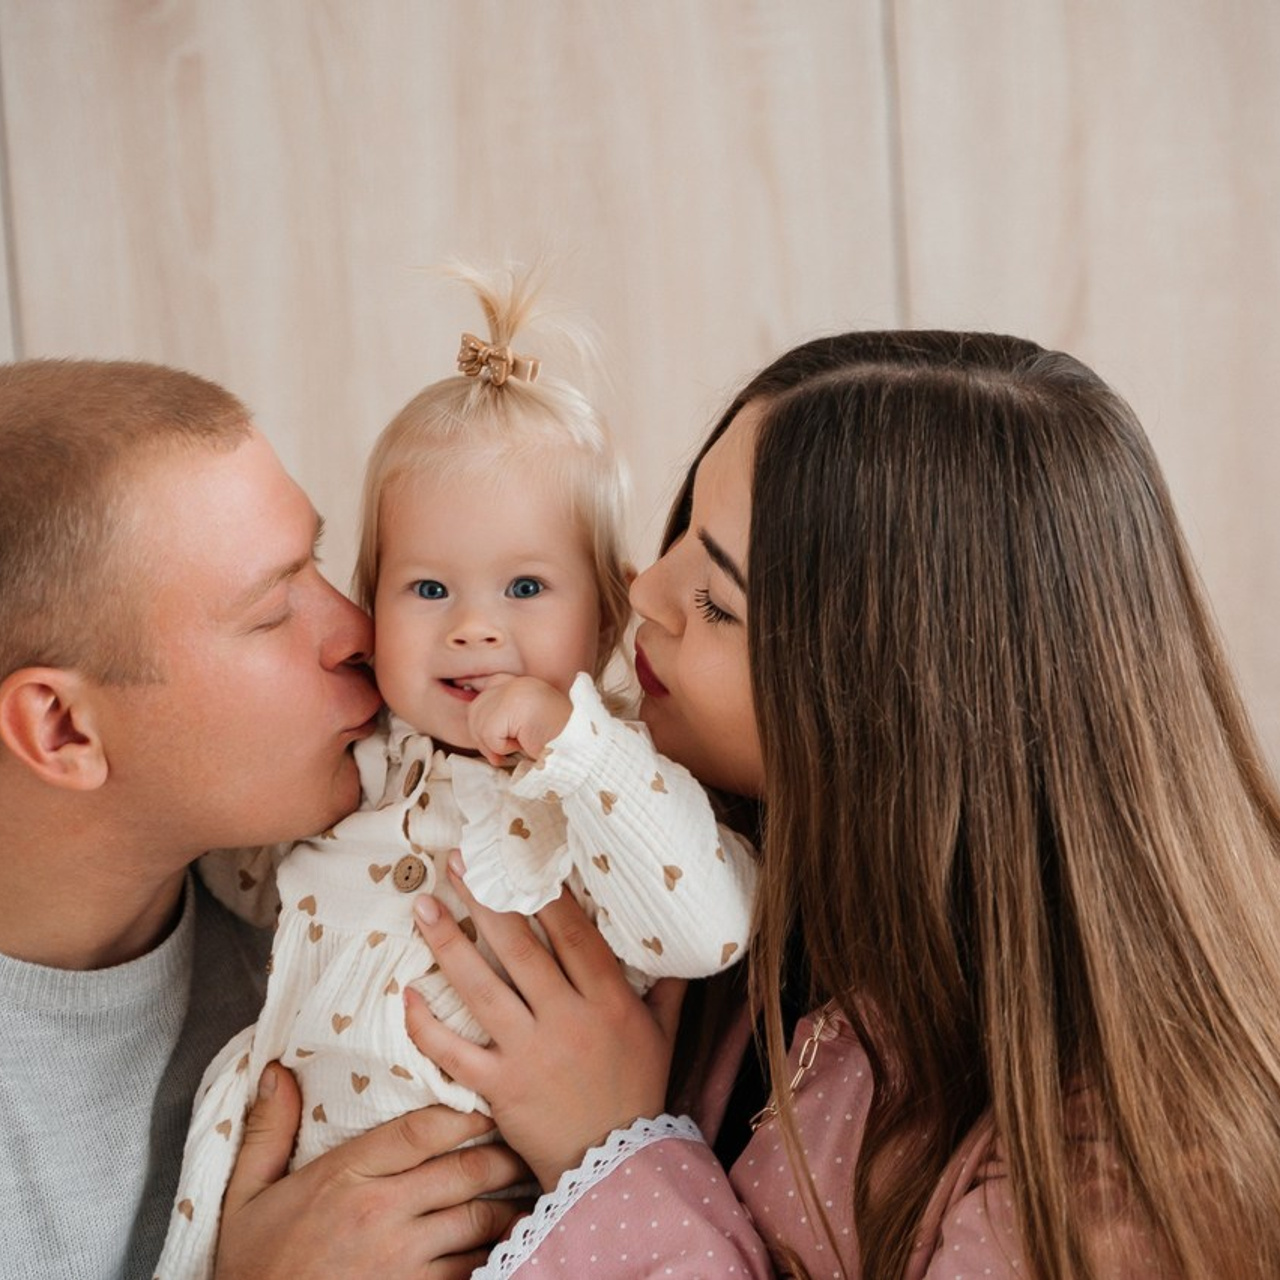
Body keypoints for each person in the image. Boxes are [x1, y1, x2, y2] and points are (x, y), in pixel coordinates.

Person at [404, 330, 1280, 1277]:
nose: (642, 590)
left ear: (902, 709)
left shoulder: (1111, 1179)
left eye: (719, 603)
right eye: (684, 530)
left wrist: (609, 1149)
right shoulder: (715, 866)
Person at [155, 265, 757, 1278]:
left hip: (486, 1223)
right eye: (427, 586)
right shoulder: (360, 754)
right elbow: (242, 880)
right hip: (270, 1179)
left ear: (605, 614)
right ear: (372, 603)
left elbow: (707, 928)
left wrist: (576, 743)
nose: (473, 624)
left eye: (524, 586)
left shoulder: (609, 777)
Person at [0, 358, 532, 1280]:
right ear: (63, 728)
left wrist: (614, 1123)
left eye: (317, 562)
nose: (361, 631)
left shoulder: (371, 912)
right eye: (269, 612)